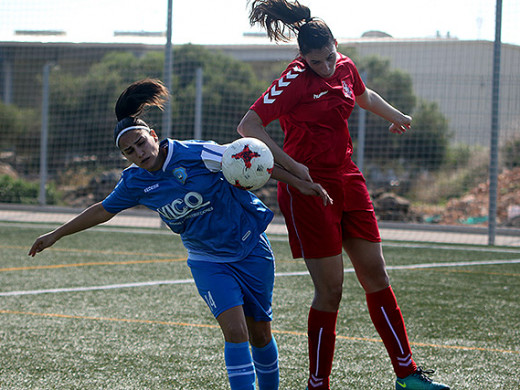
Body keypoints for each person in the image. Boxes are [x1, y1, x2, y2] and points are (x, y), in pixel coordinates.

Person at [28, 78, 330, 390]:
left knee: (260, 334)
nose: (138, 153)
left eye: (141, 143)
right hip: (208, 260)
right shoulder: (134, 183)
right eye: (129, 151)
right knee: (236, 332)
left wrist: (300, 182)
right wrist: (56, 234)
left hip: (250, 248)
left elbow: (252, 163)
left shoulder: (197, 154)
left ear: (153, 136)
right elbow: (103, 209)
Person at [237, 1, 450, 389]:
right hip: (309, 190)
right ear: (302, 58)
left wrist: (397, 116)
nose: (326, 66)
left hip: (349, 180)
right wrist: (291, 167)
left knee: (377, 275)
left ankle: (407, 374)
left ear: (337, 44)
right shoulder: (293, 79)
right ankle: (318, 384)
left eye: (329, 57)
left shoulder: (346, 66)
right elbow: (248, 125)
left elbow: (363, 95)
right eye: (316, 62)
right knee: (331, 291)